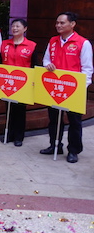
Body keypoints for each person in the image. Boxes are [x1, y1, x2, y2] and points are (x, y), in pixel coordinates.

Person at [40, 12, 93, 163]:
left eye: (62, 23)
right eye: (57, 23)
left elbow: (87, 69)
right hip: (54, 87)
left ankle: (73, 150)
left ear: (72, 24)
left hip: (74, 89)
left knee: (74, 121)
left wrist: (81, 88)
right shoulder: (53, 41)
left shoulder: (83, 43)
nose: (58, 25)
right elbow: (46, 60)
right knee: (54, 119)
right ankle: (55, 145)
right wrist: (48, 65)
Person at [0, 19, 37, 147]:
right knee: (9, 108)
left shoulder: (32, 45)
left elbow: (34, 65)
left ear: (25, 29)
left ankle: (18, 136)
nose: (15, 28)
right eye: (13, 26)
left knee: (20, 109)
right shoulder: (4, 44)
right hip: (7, 81)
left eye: (18, 26)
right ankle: (9, 134)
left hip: (23, 82)